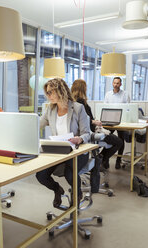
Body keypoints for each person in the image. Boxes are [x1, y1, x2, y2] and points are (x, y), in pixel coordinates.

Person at [37, 78, 91, 208]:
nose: (48, 95)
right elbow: (37, 124)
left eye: (51, 92)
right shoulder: (50, 110)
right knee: (41, 175)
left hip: (77, 151)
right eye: (47, 93)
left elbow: (87, 133)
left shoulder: (78, 108)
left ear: (60, 91)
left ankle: (77, 194)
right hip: (59, 151)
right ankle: (57, 189)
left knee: (69, 173)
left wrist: (79, 138)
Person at [71, 79, 123, 169]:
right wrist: (94, 121)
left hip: (81, 133)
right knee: (119, 142)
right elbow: (84, 120)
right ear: (83, 89)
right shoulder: (81, 103)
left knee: (113, 139)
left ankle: (101, 158)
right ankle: (101, 159)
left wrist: (92, 121)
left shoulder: (72, 102)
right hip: (91, 132)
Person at [104, 77, 130, 169]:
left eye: (118, 83)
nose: (116, 84)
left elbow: (128, 108)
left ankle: (118, 161)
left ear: (121, 84)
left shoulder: (125, 94)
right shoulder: (108, 94)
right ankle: (105, 159)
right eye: (114, 83)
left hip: (121, 121)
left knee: (121, 140)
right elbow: (105, 107)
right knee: (107, 138)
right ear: (112, 83)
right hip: (110, 119)